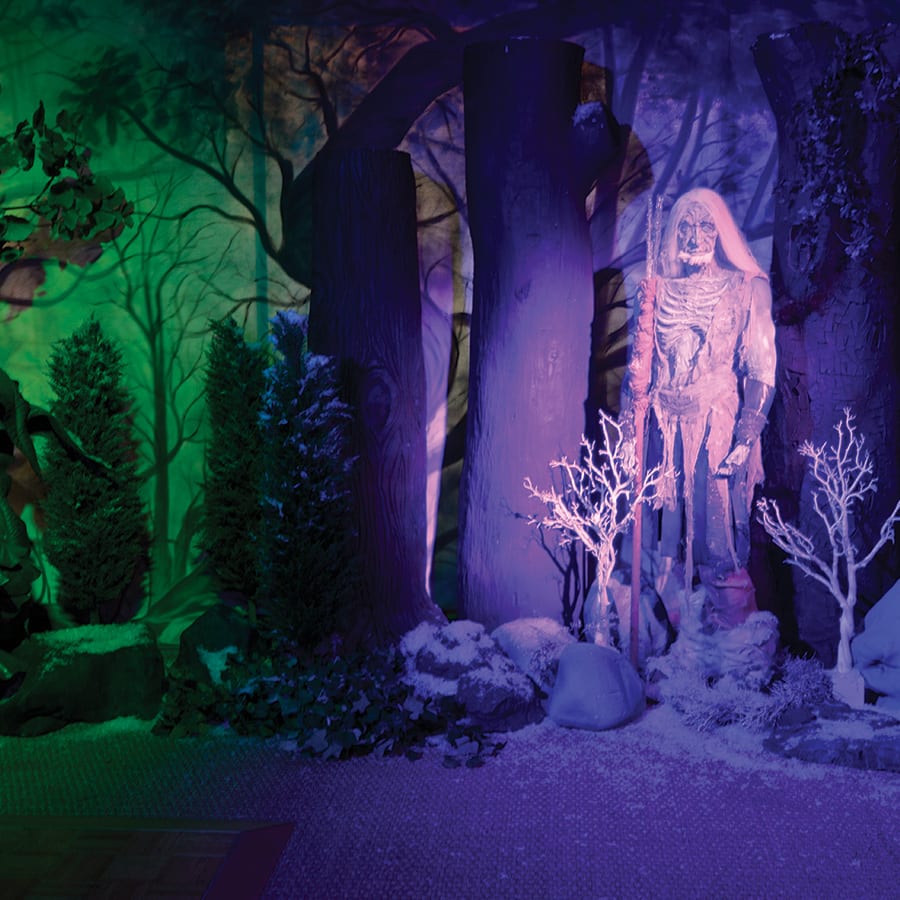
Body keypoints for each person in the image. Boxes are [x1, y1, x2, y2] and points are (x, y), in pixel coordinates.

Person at [622, 187, 776, 619]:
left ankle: (734, 632)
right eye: (685, 226)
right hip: (664, 426)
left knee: (716, 530)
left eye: (706, 225)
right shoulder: (656, 291)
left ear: (720, 230)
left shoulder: (746, 288)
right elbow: (639, 369)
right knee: (664, 534)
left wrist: (746, 437)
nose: (694, 237)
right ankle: (683, 627)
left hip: (715, 423)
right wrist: (629, 432)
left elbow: (762, 367)